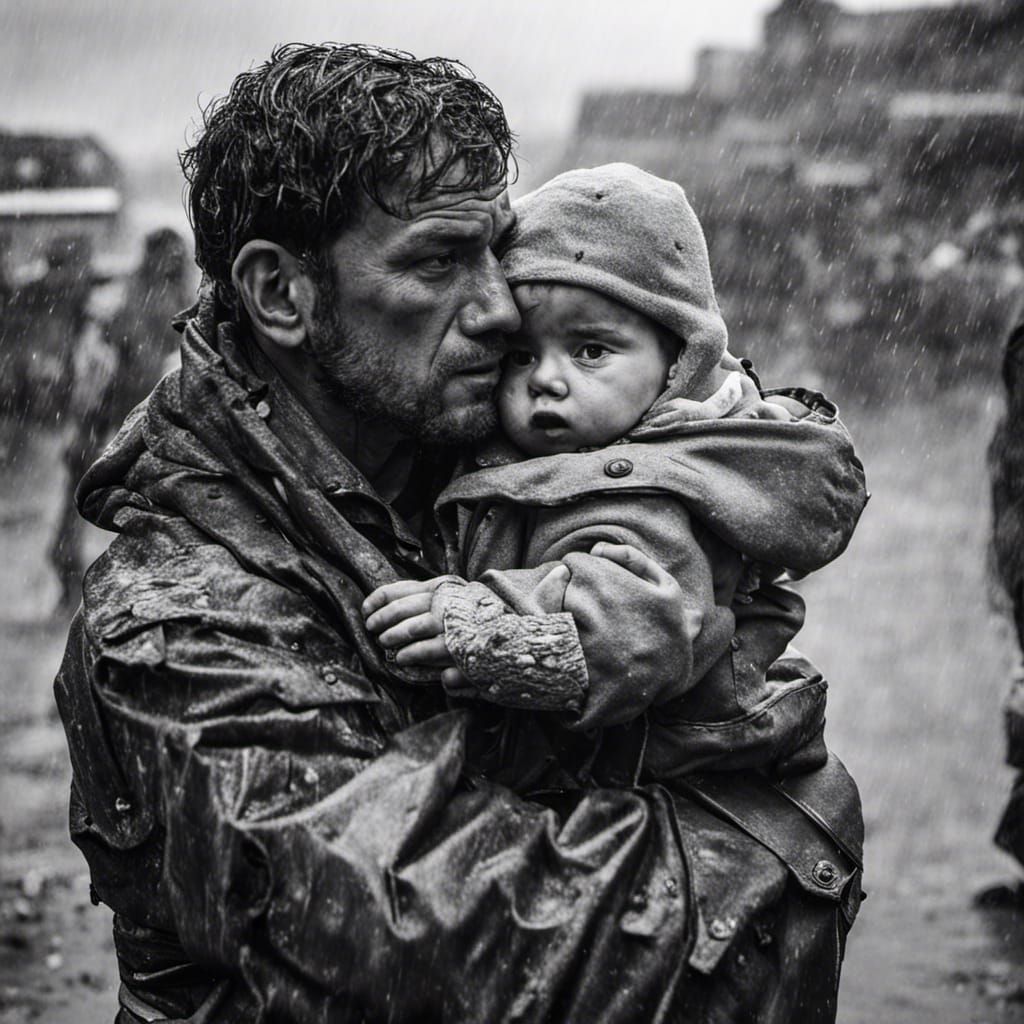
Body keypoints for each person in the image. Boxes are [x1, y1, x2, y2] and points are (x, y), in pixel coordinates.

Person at [55, 45, 864, 1023]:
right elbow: (496, 957)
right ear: (279, 294)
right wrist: (788, 832)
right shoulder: (182, 623)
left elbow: (697, 451)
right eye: (439, 260)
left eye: (498, 250)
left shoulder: (452, 453)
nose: (497, 308)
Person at [364, 163, 867, 790]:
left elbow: (639, 631)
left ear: (680, 363)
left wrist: (486, 624)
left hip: (660, 781)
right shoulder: (542, 447)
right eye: (522, 355)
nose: (546, 378)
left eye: (590, 351)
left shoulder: (655, 489)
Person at [49, 227, 192, 609]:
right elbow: (103, 362)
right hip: (114, 414)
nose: (169, 263)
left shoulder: (175, 297)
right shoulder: (134, 297)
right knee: (90, 497)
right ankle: (71, 573)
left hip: (147, 415)